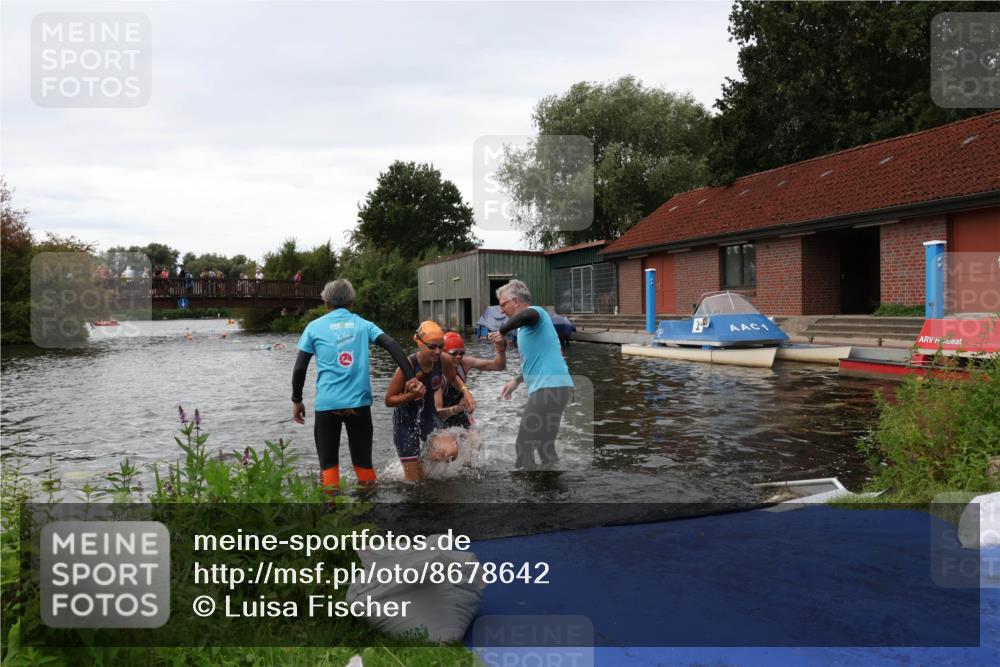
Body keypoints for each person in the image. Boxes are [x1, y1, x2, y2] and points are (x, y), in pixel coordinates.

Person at [291, 279, 417, 490]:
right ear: (352, 303)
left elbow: (299, 368)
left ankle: (331, 515)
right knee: (364, 465)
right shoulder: (363, 325)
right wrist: (410, 376)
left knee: (329, 467)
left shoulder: (314, 327)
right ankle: (368, 515)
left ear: (326, 303)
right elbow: (391, 344)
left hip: (327, 405)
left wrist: (297, 400)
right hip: (358, 406)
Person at [488, 280, 573, 470]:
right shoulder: (524, 328)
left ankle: (527, 496)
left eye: (503, 304)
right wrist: (516, 381)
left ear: (516, 301)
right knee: (544, 447)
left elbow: (528, 314)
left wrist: (501, 331)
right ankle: (552, 493)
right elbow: (535, 360)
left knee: (523, 446)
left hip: (549, 387)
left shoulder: (536, 313)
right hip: (557, 386)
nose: (501, 310)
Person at [385, 321, 476, 481]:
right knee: (415, 482)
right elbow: (389, 400)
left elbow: (453, 378)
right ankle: (414, 463)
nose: (437, 351)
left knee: (451, 451)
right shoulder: (407, 366)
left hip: (428, 416)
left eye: (441, 346)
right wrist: (411, 396)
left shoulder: (443, 360)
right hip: (405, 422)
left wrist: (465, 392)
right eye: (432, 346)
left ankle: (423, 458)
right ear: (420, 343)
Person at [436, 331, 506, 430]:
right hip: (441, 418)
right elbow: (437, 412)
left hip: (459, 413)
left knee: (476, 442)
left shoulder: (465, 364)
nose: (459, 357)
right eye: (454, 353)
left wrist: (500, 348)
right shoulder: (437, 376)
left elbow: (499, 366)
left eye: (462, 353)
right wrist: (456, 409)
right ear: (443, 354)